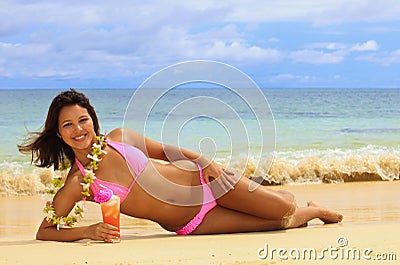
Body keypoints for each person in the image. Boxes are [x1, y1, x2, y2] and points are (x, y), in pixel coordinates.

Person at [18, 89, 343, 242]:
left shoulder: (121, 137)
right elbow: (45, 231)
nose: (78, 130)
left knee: (282, 209)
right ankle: (313, 211)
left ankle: (301, 204)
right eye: (68, 126)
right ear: (58, 134)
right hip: (192, 221)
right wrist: (88, 230)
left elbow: (168, 151)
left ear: (93, 120)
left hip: (206, 180)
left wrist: (206, 162)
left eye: (83, 120)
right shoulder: (79, 183)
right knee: (278, 224)